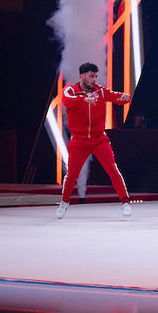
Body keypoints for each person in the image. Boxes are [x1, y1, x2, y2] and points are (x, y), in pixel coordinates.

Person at [56, 62, 133, 219]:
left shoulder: (100, 91)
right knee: (72, 175)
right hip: (79, 140)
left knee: (112, 169)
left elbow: (116, 97)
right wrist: (83, 99)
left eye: (95, 76)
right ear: (82, 76)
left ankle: (125, 202)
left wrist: (125, 98)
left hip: (99, 139)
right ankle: (64, 203)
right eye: (91, 76)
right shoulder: (71, 90)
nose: (94, 80)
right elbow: (67, 101)